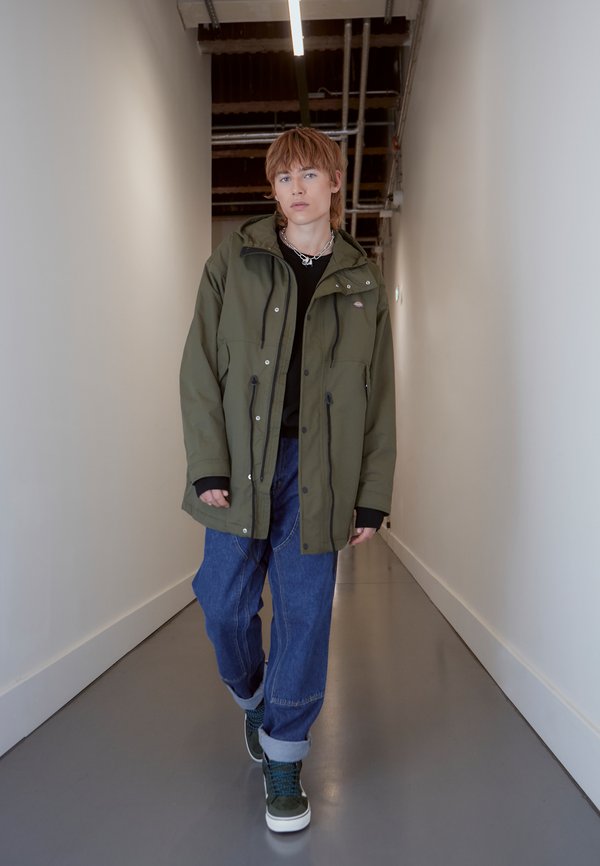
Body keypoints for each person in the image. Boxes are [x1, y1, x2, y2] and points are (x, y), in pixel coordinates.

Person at [179, 127, 396, 833]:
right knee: (222, 602)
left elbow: (381, 398)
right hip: (242, 461)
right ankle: (252, 697)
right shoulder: (234, 260)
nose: (296, 188)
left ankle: (284, 754)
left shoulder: (363, 280)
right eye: (283, 177)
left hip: (321, 471)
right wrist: (207, 461)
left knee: (305, 615)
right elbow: (199, 366)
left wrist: (372, 494)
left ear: (334, 182)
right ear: (271, 188)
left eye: (309, 174)